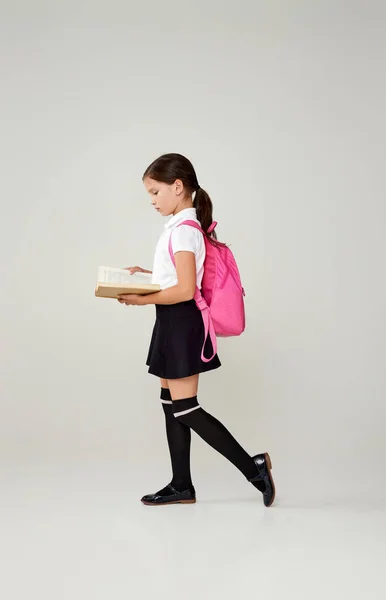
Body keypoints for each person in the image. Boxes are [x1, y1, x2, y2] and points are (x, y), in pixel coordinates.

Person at [118, 153, 275, 507]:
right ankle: (181, 485)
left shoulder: (186, 232)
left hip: (182, 322)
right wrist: (146, 275)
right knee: (170, 403)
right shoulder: (179, 228)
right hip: (170, 321)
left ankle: (254, 467)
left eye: (156, 192)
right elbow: (175, 279)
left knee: (186, 407)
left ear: (178, 187)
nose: (153, 201)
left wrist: (141, 300)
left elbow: (186, 289)